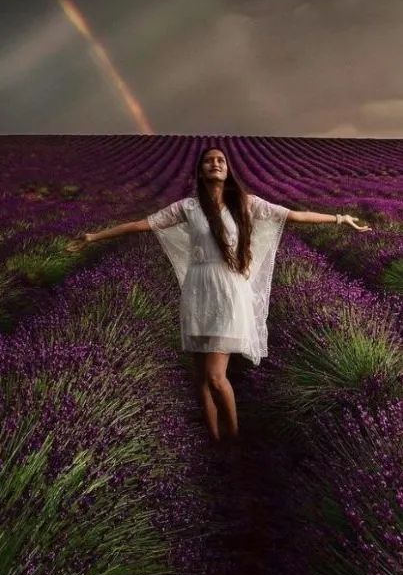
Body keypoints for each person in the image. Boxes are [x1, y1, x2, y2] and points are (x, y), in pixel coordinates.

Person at [66, 147, 371, 444]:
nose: (215, 163)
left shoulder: (245, 203)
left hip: (229, 292)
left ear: (227, 169)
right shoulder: (187, 207)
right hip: (198, 291)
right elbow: (141, 224)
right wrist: (93, 237)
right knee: (201, 377)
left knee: (215, 377)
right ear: (200, 170)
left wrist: (340, 219)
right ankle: (214, 438)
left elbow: (294, 216)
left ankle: (234, 438)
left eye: (220, 160)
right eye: (209, 160)